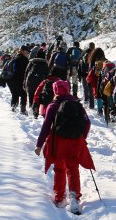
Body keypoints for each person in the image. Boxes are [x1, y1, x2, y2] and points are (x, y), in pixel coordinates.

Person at [35, 80, 94, 210]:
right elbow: (87, 123)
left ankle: (60, 197)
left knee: (59, 169)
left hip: (58, 142)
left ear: (55, 91)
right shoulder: (77, 105)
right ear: (67, 89)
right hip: (75, 142)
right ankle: (74, 196)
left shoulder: (53, 106)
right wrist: (82, 137)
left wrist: (39, 144)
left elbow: (46, 127)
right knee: (73, 169)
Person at [24, 53, 50, 118]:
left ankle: (31, 109)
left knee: (31, 96)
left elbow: (26, 72)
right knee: (38, 97)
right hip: (40, 83)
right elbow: (47, 75)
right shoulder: (45, 64)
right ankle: (36, 112)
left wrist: (25, 82)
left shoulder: (32, 62)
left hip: (30, 82)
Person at [5, 47, 30, 113]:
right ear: (23, 51)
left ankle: (13, 108)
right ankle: (23, 110)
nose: (28, 54)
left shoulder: (15, 58)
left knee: (15, 94)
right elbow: (25, 71)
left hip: (10, 79)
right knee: (23, 94)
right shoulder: (24, 59)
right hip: (19, 79)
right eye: (27, 52)